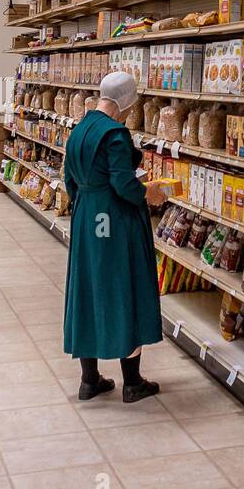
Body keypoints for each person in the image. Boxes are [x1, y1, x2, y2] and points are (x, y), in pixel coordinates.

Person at [62, 71, 169, 402]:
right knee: (126, 287)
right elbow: (124, 185)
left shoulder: (79, 130)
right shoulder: (116, 135)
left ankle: (89, 380)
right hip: (115, 221)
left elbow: (69, 181)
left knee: (88, 289)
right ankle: (133, 383)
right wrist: (148, 193)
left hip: (87, 218)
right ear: (127, 102)